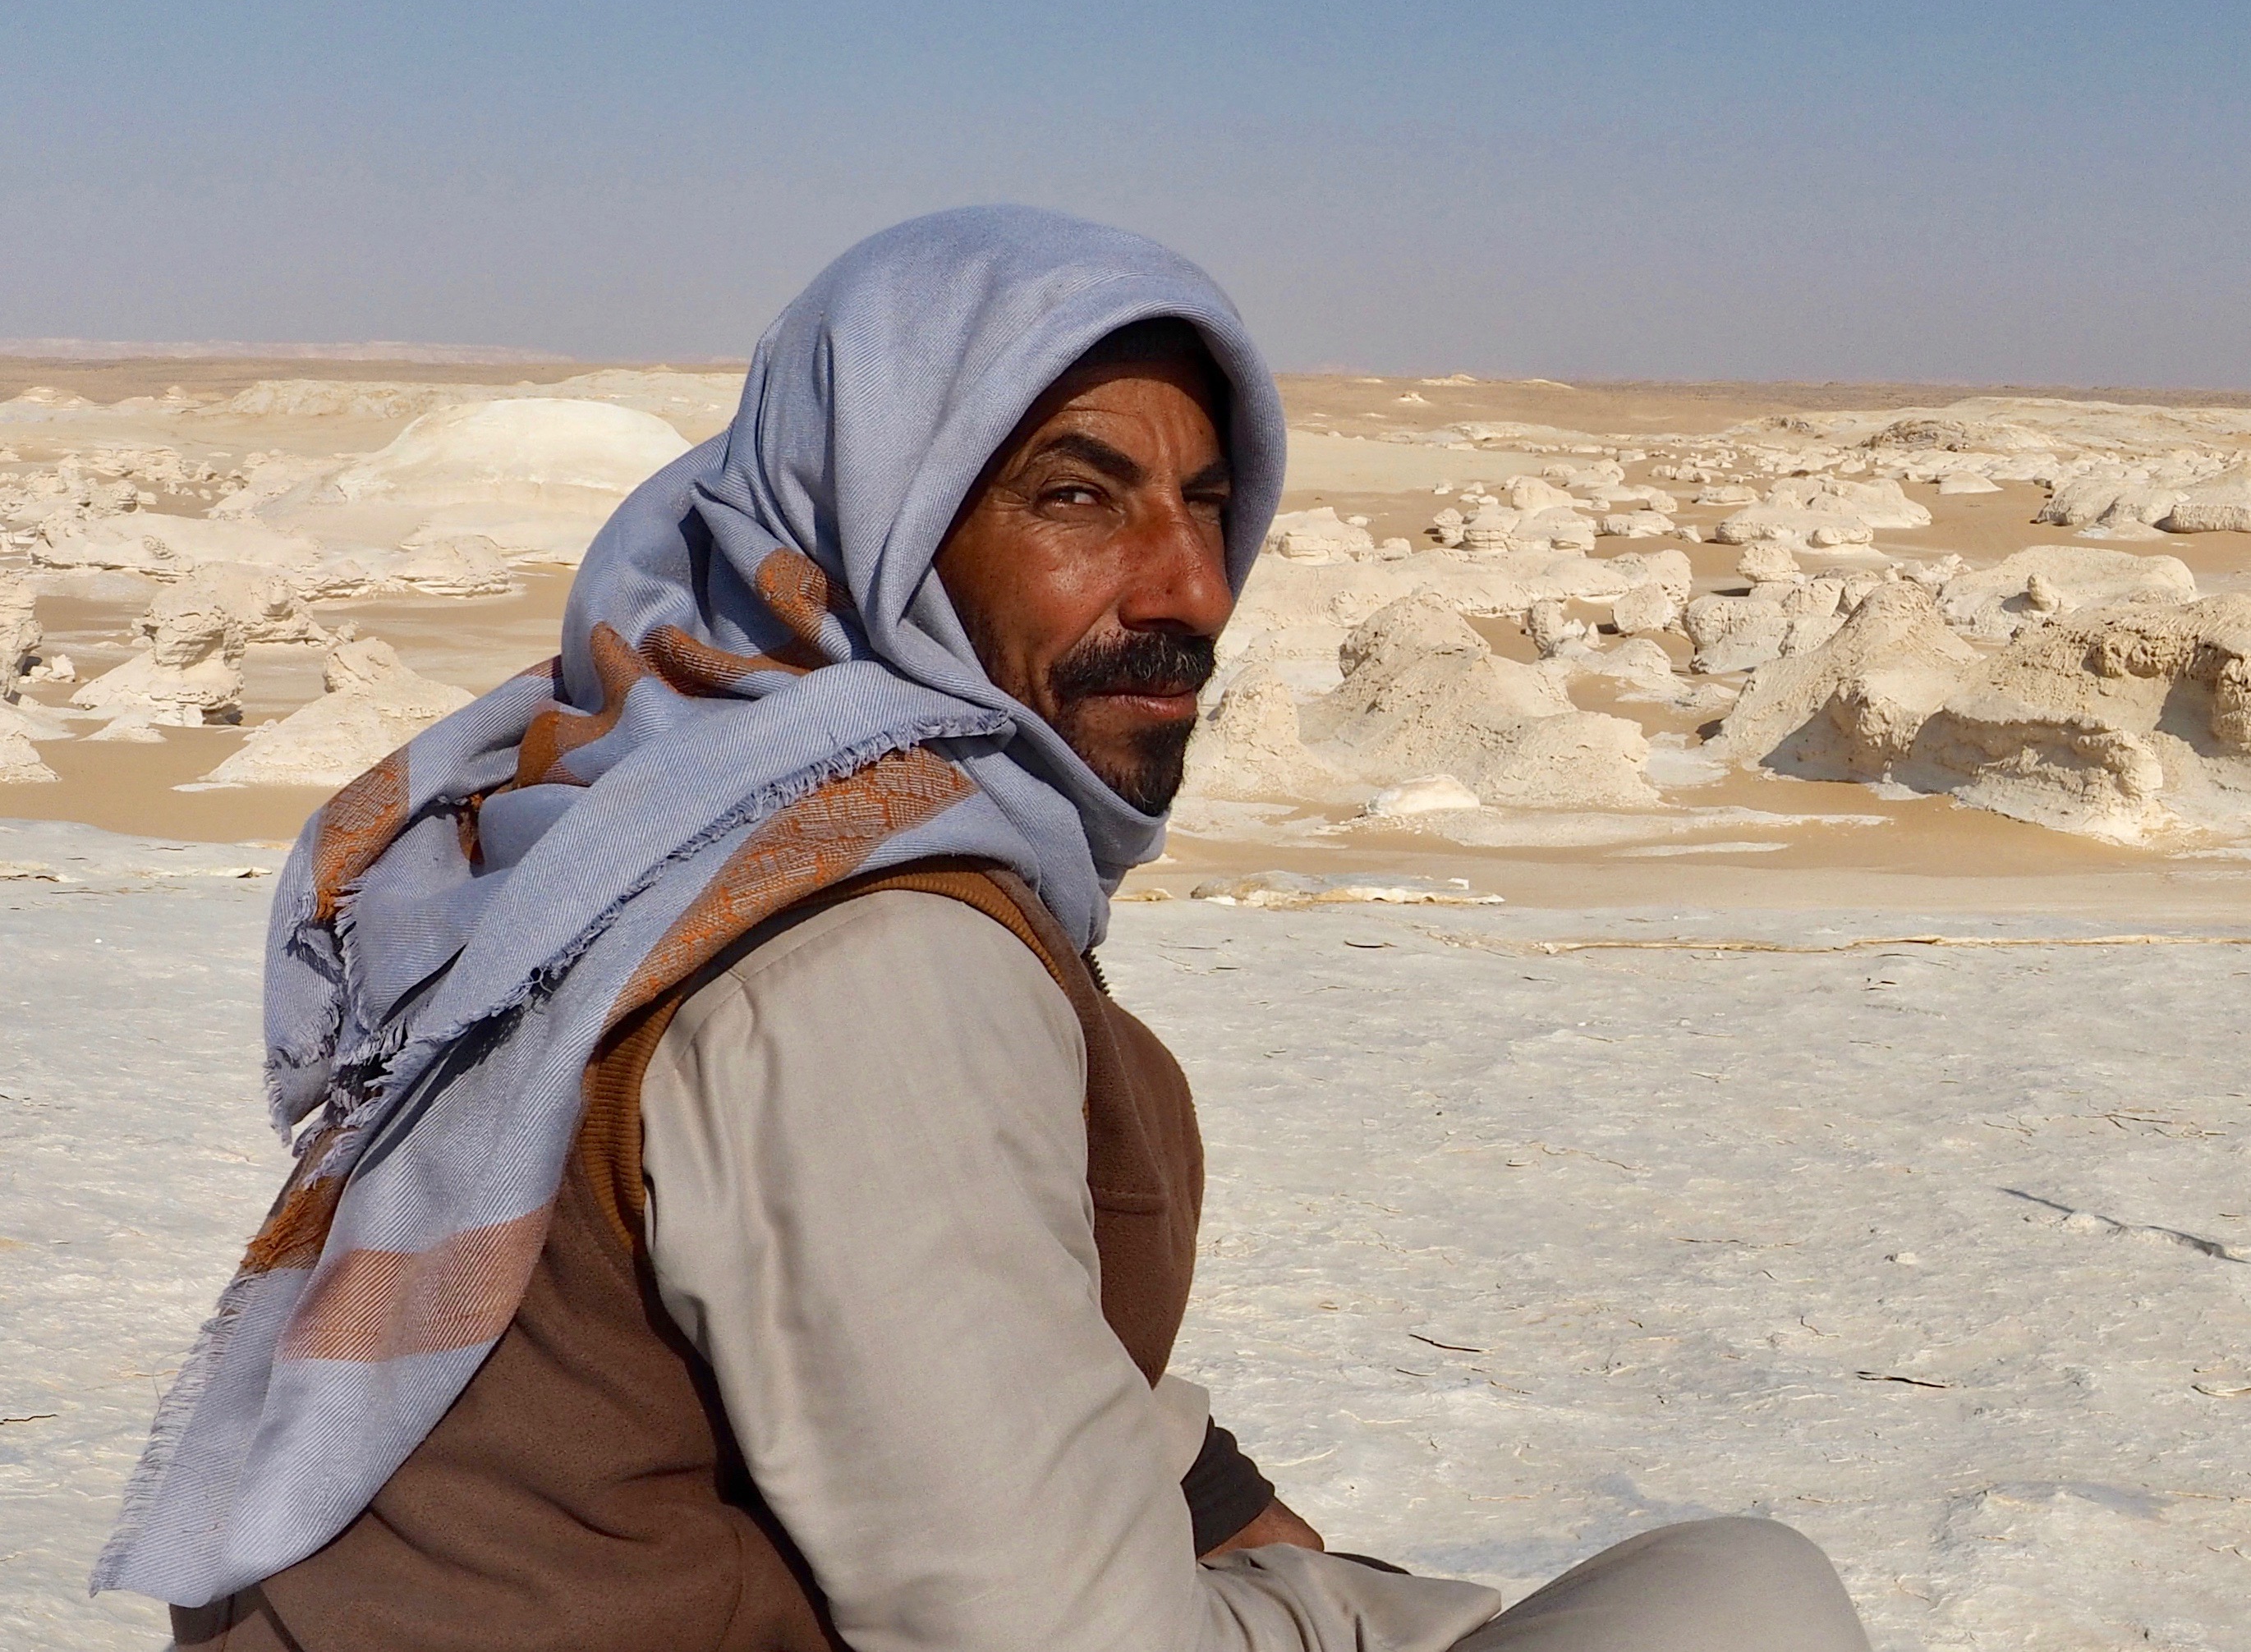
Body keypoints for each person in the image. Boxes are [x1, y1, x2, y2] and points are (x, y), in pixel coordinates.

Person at [105, 209, 1874, 1650]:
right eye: (1076, 497)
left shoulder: (674, 811)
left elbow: (925, 1330)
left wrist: (1221, 1509)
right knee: (1746, 1603)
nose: (1189, 588)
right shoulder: (868, 959)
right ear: (881, 527)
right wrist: (1342, 1612)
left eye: (1207, 503)